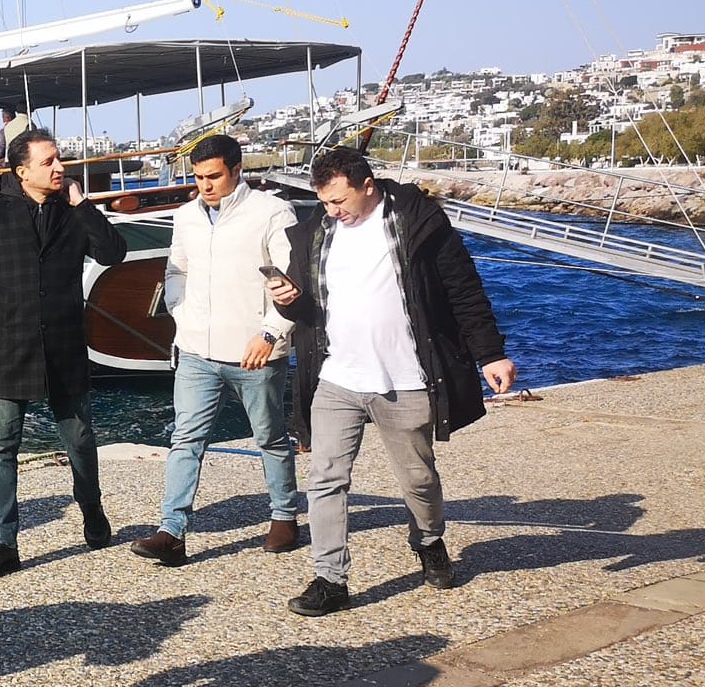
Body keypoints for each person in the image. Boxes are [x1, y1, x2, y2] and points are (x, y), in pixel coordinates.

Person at [272, 146, 516, 616]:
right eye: (324, 202)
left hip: (405, 378)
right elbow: (308, 312)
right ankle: (330, 577)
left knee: (418, 480)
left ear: (368, 186)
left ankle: (428, 539)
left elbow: (464, 290)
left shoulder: (420, 223)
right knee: (325, 478)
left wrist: (491, 354)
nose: (333, 211)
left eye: (340, 201)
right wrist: (287, 300)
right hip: (337, 376)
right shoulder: (315, 234)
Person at [0, 130, 127, 578]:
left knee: (79, 440)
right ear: (22, 171)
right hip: (11, 346)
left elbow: (113, 253)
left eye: (60, 159)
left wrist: (83, 205)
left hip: (63, 346)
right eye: (49, 162)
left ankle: (92, 511)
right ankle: (4, 542)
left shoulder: (74, 212)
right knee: (2, 446)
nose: (59, 167)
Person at [130, 134, 303, 567]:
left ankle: (284, 515)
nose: (205, 185)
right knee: (185, 439)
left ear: (237, 171)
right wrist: (180, 312)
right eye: (199, 177)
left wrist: (270, 334)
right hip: (195, 350)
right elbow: (176, 269)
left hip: (256, 351)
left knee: (270, 437)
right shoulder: (187, 215)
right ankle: (172, 531)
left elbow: (291, 280)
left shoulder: (271, 212)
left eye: (213, 176)